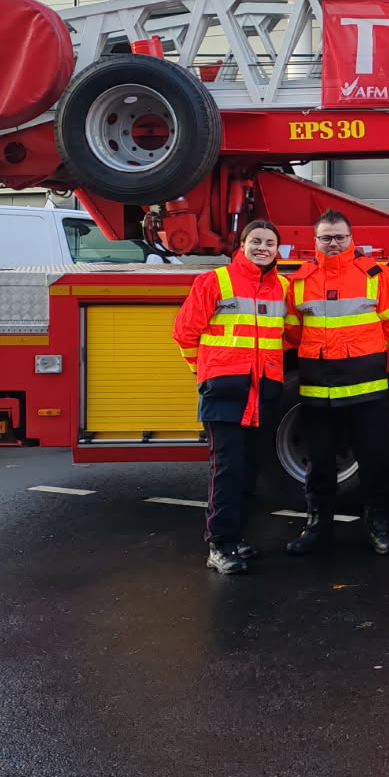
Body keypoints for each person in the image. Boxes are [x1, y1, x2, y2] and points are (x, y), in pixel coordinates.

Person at [283, 210, 389, 556]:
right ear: (315, 242)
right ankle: (317, 527)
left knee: (376, 462)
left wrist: (368, 347)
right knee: (319, 464)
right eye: (326, 237)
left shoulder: (376, 274)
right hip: (317, 389)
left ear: (350, 237)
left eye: (339, 236)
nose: (333, 243)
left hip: (366, 387)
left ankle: (379, 527)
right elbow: (293, 330)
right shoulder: (300, 280)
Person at [172, 220, 290, 575]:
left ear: (277, 249)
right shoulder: (214, 281)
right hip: (225, 390)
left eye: (270, 243)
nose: (263, 248)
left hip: (262, 391)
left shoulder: (282, 287)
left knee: (251, 469)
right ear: (242, 244)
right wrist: (206, 371)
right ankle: (219, 546)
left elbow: (288, 336)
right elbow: (184, 333)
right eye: (256, 241)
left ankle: (236, 538)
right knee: (227, 470)